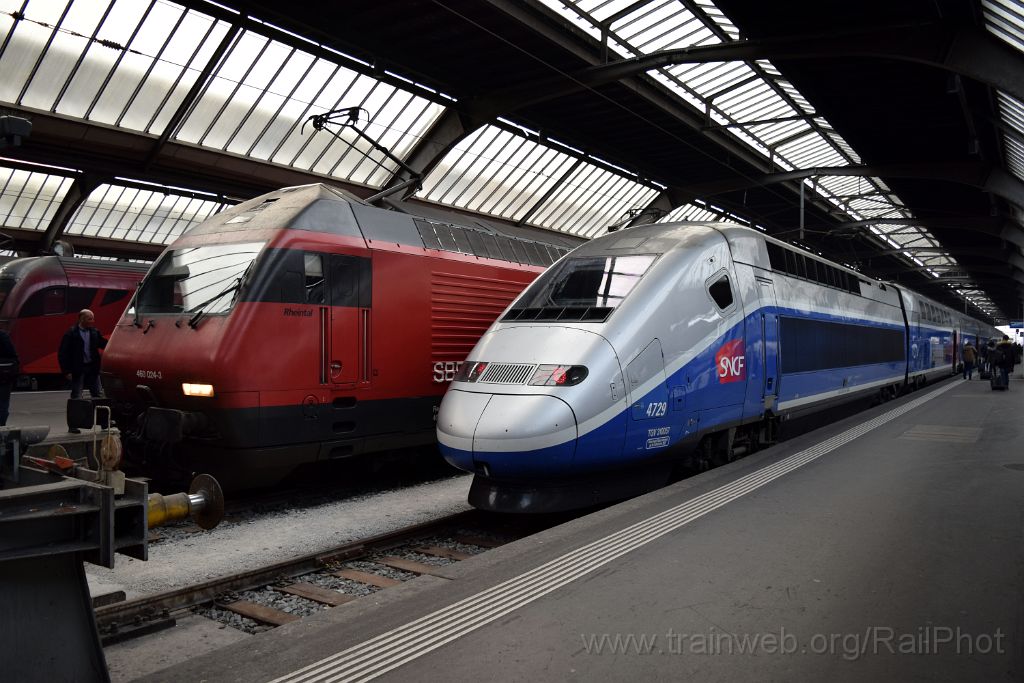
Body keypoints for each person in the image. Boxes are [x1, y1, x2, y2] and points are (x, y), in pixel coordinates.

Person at [58, 309, 108, 431]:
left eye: (92, 318)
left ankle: (104, 423)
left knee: (98, 395)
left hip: (92, 369)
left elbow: (104, 344)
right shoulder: (71, 333)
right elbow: (63, 353)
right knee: (76, 396)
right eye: (89, 318)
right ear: (81, 319)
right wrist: (66, 371)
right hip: (78, 369)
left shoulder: (95, 332)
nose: (92, 321)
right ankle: (73, 426)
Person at [0, 329, 18, 426]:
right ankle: (1, 427)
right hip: (4, 375)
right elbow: (13, 354)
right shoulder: (3, 335)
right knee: (3, 403)